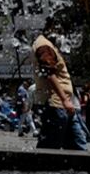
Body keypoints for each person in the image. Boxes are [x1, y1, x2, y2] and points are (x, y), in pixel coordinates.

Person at [31, 19, 86, 150]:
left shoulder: (48, 44)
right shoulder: (44, 46)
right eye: (58, 30)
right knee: (50, 147)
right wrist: (65, 100)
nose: (61, 34)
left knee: (78, 143)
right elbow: (49, 74)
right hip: (56, 104)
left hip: (63, 105)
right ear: (51, 28)